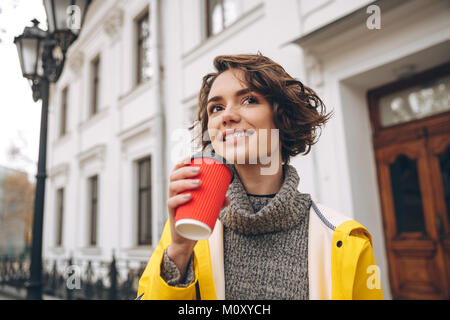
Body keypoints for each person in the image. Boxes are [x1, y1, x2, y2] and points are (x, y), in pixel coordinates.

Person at [137, 53, 384, 300]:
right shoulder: (186, 231)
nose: (227, 116)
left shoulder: (347, 239)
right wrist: (179, 252)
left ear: (282, 117)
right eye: (217, 108)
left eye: (249, 100)